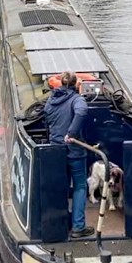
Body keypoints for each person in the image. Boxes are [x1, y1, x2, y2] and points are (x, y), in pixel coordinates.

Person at [43, 71, 93, 237]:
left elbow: (47, 117)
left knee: (61, 186)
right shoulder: (77, 100)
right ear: (75, 84)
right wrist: (71, 133)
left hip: (56, 151)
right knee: (80, 186)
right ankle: (78, 226)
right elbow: (82, 111)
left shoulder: (51, 99)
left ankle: (60, 224)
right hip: (74, 151)